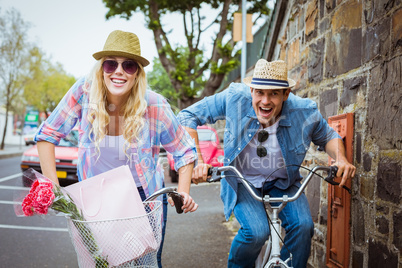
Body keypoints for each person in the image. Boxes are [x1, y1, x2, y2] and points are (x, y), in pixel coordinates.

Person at [34, 30, 198, 267]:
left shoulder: (155, 105)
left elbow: (184, 150)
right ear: (102, 69)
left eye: (128, 65)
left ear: (137, 74)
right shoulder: (84, 93)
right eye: (111, 64)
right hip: (96, 199)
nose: (119, 71)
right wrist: (55, 190)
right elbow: (47, 135)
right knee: (102, 263)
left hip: (144, 199)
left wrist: (183, 192)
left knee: (145, 264)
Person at [177, 59, 356, 268]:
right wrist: (198, 161)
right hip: (243, 182)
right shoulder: (235, 97)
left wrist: (341, 159)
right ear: (251, 90)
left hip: (284, 183)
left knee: (303, 226)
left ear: (286, 95)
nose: (265, 101)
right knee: (255, 232)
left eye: (274, 93)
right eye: (260, 92)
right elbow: (187, 116)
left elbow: (328, 136)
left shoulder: (304, 110)